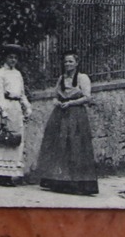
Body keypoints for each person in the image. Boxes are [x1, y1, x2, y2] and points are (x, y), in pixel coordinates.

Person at [35, 50, 98, 195]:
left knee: (75, 145)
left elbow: (87, 97)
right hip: (60, 115)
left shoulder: (82, 78)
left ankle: (78, 182)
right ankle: (59, 181)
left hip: (76, 115)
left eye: (70, 61)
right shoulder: (61, 78)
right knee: (59, 145)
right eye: (65, 62)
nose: (68, 64)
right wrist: (57, 102)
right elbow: (55, 95)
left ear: (76, 63)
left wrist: (70, 103)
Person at [0, 44, 31, 185]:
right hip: (4, 108)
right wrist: (3, 113)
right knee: (2, 139)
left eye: (15, 58)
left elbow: (22, 93)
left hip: (16, 108)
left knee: (14, 140)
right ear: (5, 58)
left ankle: (10, 174)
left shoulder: (17, 74)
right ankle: (1, 175)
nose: (13, 60)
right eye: (10, 57)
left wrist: (27, 107)